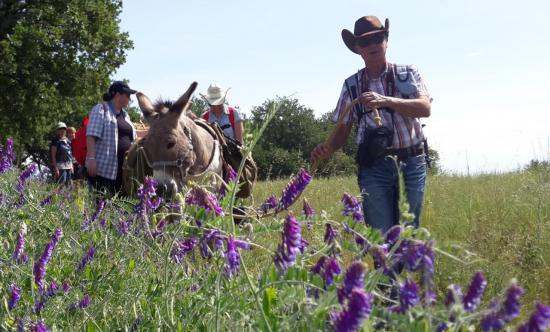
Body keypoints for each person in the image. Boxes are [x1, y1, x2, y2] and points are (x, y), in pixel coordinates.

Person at [311, 16, 432, 233]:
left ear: (386, 40)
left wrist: (385, 100)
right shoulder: (351, 85)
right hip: (374, 167)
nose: (372, 45)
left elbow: (425, 109)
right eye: (365, 42)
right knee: (380, 234)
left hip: (411, 162)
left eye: (377, 38)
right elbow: (342, 130)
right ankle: (385, 268)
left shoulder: (407, 73)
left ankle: (403, 267)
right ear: (357, 48)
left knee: (408, 233)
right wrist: (327, 149)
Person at [85, 81, 137, 195]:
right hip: (103, 170)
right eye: (127, 95)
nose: (129, 98)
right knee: (101, 206)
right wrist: (91, 159)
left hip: (123, 171)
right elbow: (91, 135)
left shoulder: (126, 115)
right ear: (118, 95)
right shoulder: (101, 109)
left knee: (119, 207)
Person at [50, 122, 74, 186]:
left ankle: (68, 196)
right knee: (61, 185)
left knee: (69, 185)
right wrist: (56, 168)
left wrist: (72, 166)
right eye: (60, 128)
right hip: (60, 166)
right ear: (57, 130)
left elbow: (70, 153)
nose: (62, 130)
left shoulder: (68, 140)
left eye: (64, 128)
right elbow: (53, 155)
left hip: (69, 165)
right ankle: (59, 196)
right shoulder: (55, 140)